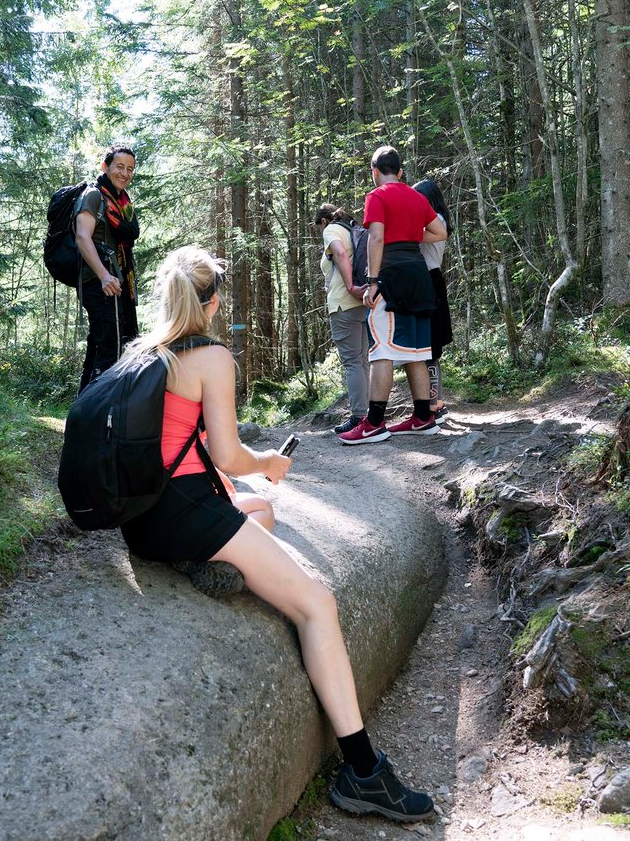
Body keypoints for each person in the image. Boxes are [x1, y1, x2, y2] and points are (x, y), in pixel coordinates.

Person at [119, 246, 435, 824]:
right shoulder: (210, 355)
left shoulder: (142, 354)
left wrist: (244, 485)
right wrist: (267, 461)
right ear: (211, 303)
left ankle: (205, 563)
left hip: (143, 522)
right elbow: (227, 452)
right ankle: (364, 772)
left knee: (259, 513)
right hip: (187, 512)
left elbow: (175, 447)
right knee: (317, 604)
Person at [339, 146, 447, 445]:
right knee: (417, 350)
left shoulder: (377, 196)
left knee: (382, 350)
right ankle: (424, 417)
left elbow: (376, 237)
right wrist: (411, 234)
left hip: (391, 274)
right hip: (419, 275)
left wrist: (373, 281)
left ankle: (373, 423)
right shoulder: (417, 197)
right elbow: (440, 233)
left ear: (374, 171)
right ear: (400, 172)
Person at [75, 146, 140, 393]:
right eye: (119, 167)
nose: (125, 173)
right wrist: (103, 275)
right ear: (106, 167)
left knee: (101, 346)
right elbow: (83, 237)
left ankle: (84, 411)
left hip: (117, 282)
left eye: (130, 169)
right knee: (111, 349)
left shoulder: (123, 203)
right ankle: (100, 415)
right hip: (98, 282)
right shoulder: (93, 195)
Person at [314, 203, 370, 435]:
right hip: (363, 303)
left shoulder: (332, 231)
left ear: (323, 221)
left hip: (343, 303)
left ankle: (359, 416)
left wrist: (350, 287)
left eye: (318, 227)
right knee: (363, 360)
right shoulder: (352, 229)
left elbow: (338, 252)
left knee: (352, 362)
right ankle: (368, 415)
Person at [413, 179, 453, 421]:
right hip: (430, 277)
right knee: (430, 348)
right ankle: (435, 402)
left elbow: (413, 235)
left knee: (430, 347)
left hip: (429, 278)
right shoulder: (438, 218)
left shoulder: (435, 219)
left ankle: (434, 405)